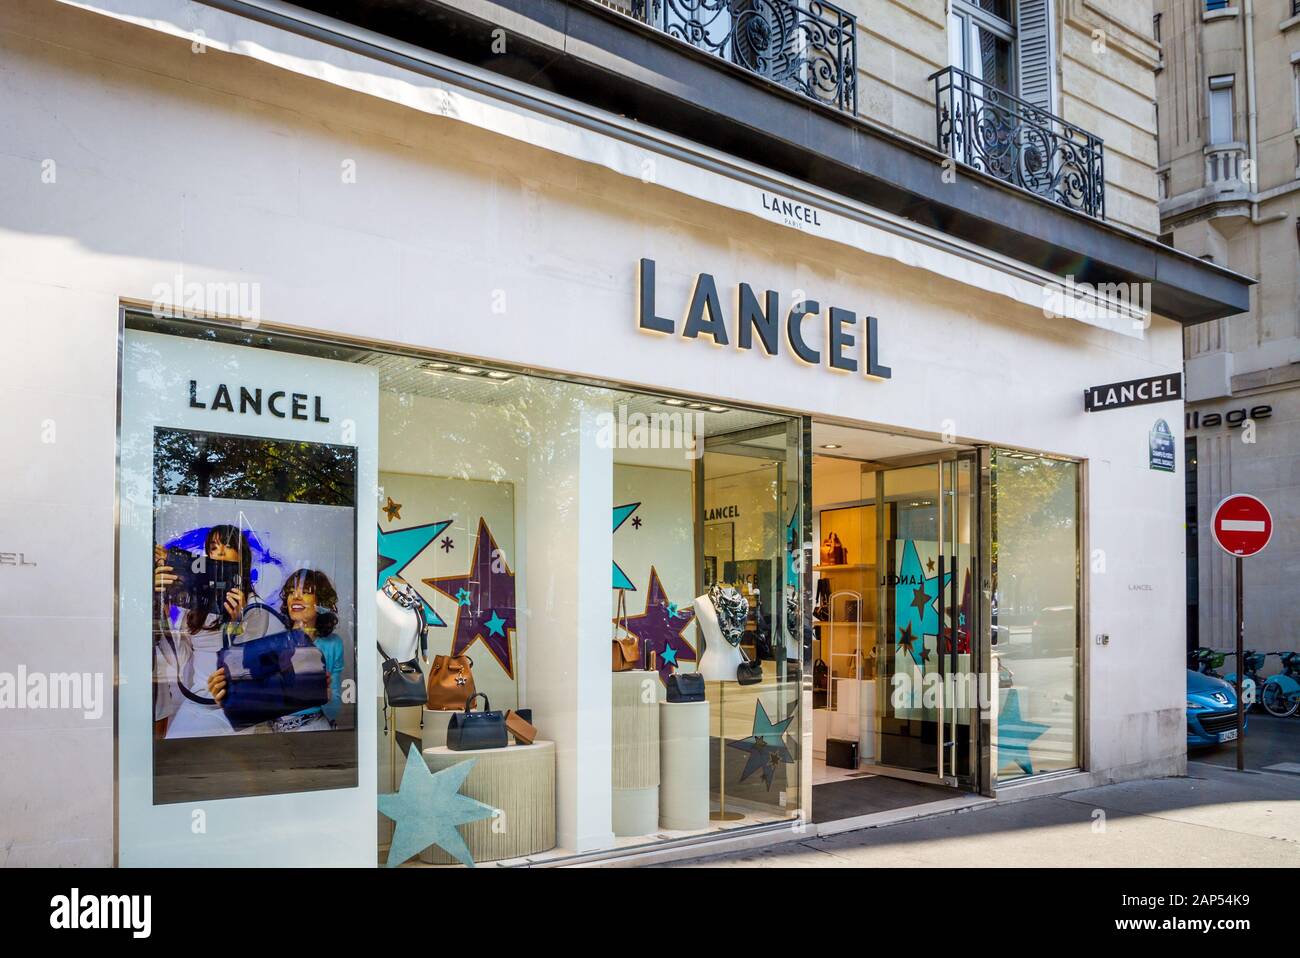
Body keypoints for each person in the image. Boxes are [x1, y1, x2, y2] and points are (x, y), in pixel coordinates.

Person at [152, 524, 272, 738]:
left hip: (233, 705)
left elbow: (246, 667)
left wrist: (235, 623)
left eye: (227, 545)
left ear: (241, 557)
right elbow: (178, 656)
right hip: (197, 700)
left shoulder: (254, 608)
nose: (220, 552)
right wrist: (161, 602)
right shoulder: (197, 604)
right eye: (213, 547)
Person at [206, 567, 345, 733]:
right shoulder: (273, 638)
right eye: (291, 592)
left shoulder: (332, 645)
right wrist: (227, 697)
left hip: (312, 730)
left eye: (305, 592)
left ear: (320, 601)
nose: (296, 597)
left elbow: (334, 710)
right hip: (272, 732)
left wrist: (325, 693)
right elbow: (254, 695)